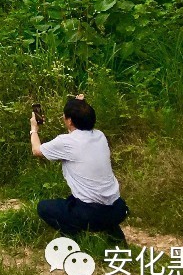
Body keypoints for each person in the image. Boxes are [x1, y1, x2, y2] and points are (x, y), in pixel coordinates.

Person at [31, 94, 129, 243]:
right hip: (118, 209)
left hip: (91, 213)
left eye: (64, 116)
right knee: (81, 200)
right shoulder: (100, 136)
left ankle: (75, 238)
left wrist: (34, 129)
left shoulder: (66, 142)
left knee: (44, 208)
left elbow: (36, 150)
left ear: (69, 120)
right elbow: (80, 132)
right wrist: (81, 106)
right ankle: (114, 236)